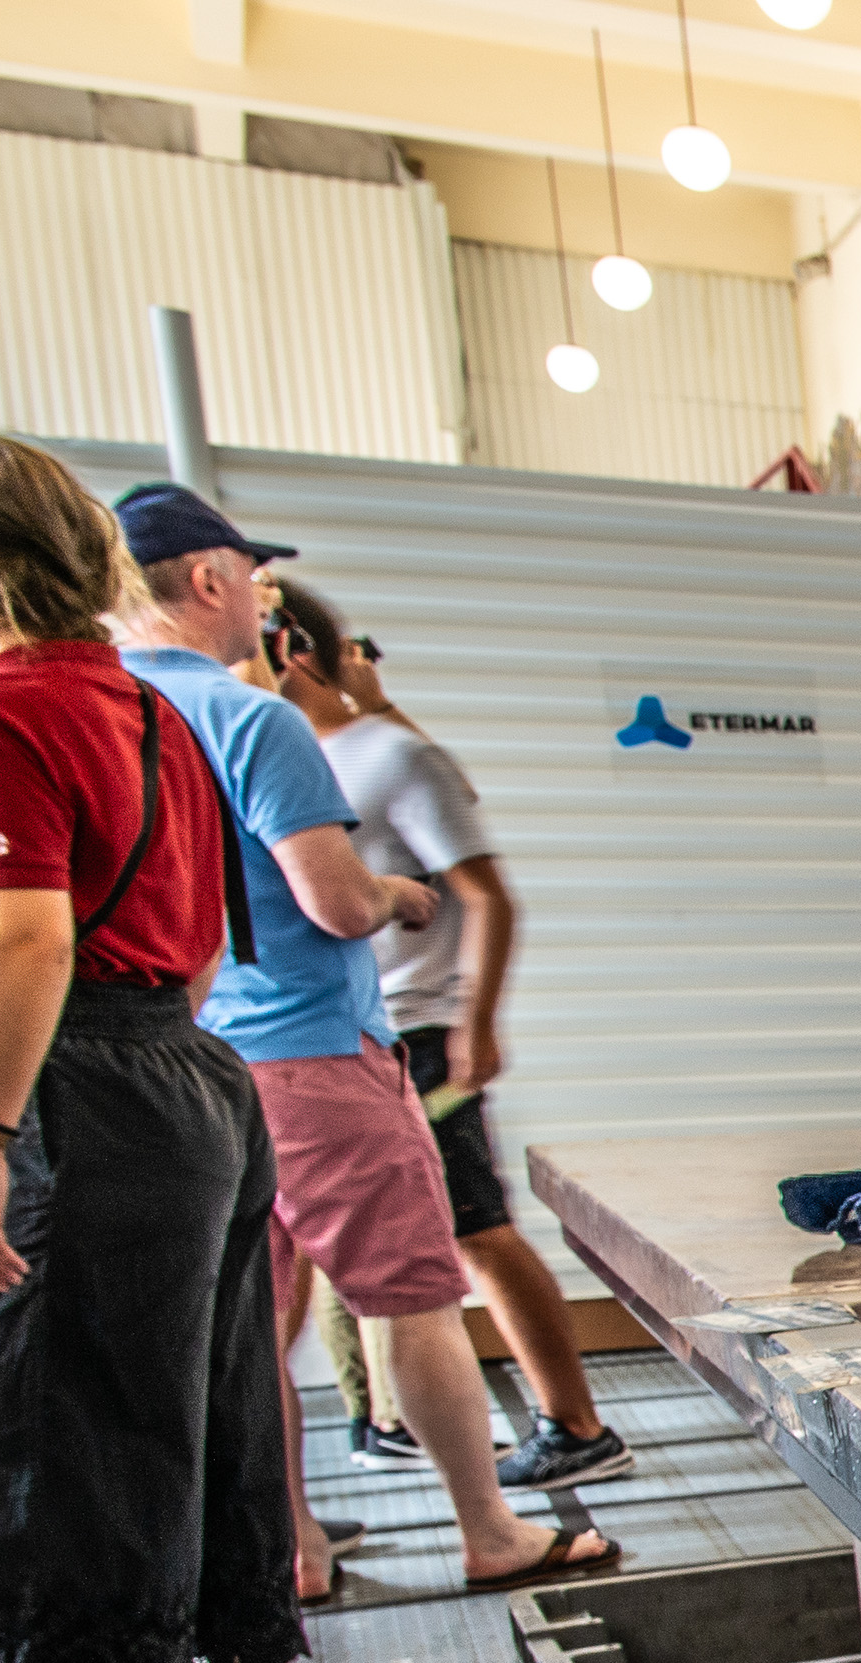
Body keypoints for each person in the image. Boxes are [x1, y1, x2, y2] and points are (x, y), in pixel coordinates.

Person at [108, 484, 617, 1604]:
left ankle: (290, 1548)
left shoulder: (103, 714)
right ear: (208, 582)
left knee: (253, 1328)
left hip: (183, 1063)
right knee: (415, 1298)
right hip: (314, 1051)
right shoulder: (251, 719)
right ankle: (488, 1529)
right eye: (252, 576)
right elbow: (334, 902)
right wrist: (394, 892)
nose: (261, 598)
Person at [0, 437, 312, 1663]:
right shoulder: (154, 706)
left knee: (67, 1425)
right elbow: (202, 943)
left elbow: (24, 936)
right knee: (211, 1407)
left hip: (84, 1088)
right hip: (191, 1078)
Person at [266, 579, 632, 1490]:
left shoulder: (392, 757)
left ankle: (574, 1422)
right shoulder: (282, 753)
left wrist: (478, 1022)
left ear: (289, 649)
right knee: (319, 1259)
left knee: (478, 1232)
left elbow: (487, 895)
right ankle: (371, 1429)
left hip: (415, 1037)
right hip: (327, 1046)